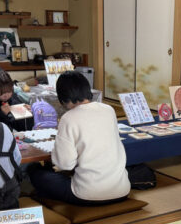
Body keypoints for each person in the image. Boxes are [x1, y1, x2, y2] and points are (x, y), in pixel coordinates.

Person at [27, 71, 129, 206]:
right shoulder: (108, 109)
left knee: (35, 172)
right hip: (122, 190)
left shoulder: (68, 118)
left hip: (88, 195)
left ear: (63, 97)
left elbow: (65, 164)